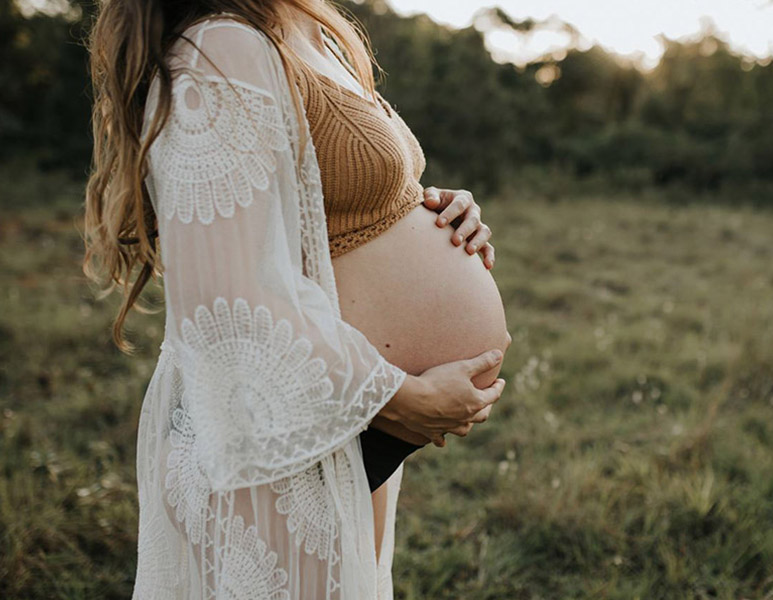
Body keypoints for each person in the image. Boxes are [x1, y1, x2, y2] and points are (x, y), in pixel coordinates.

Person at [81, 1, 512, 598]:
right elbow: (223, 296)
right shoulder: (218, 49)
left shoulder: (312, 27)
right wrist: (396, 397)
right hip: (292, 429)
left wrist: (425, 204)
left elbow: (325, 200)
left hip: (339, 428)